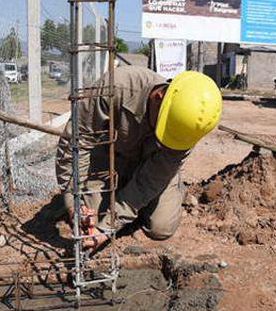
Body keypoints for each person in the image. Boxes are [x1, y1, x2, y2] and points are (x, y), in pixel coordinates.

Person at [56, 65, 222, 250]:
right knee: (88, 218)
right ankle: (120, 193)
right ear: (159, 97)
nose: (164, 140)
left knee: (161, 228)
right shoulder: (118, 87)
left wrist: (108, 228)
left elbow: (152, 178)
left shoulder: (187, 130)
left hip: (151, 167)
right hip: (111, 160)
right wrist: (73, 201)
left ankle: (164, 191)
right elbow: (78, 142)